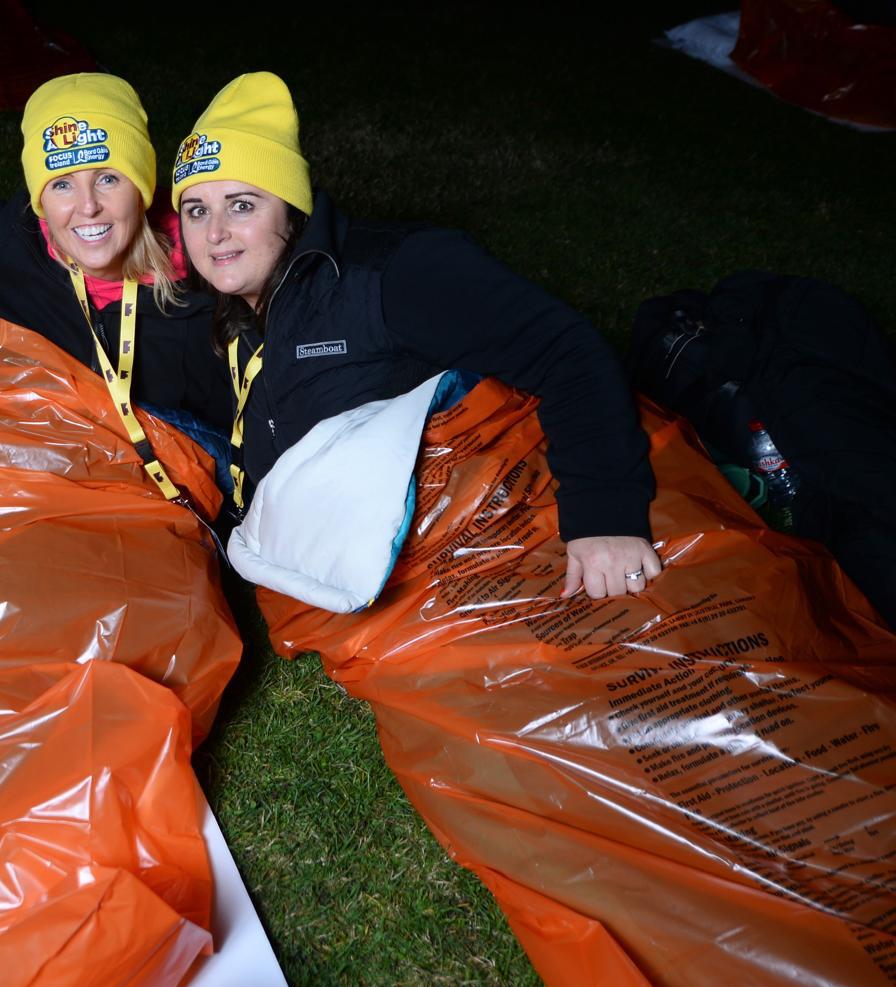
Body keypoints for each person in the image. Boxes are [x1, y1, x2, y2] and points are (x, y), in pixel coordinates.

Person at [172, 72, 662, 599]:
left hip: (433, 541)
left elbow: (567, 351)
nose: (215, 232)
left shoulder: (393, 271)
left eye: (241, 205)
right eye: (197, 211)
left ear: (293, 210)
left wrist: (604, 515)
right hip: (292, 543)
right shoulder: (234, 308)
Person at [0, 73, 232, 501]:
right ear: (41, 201)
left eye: (107, 178)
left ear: (140, 188)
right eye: (62, 184)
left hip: (183, 484)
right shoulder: (0, 246)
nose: (87, 207)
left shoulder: (213, 269)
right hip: (51, 480)